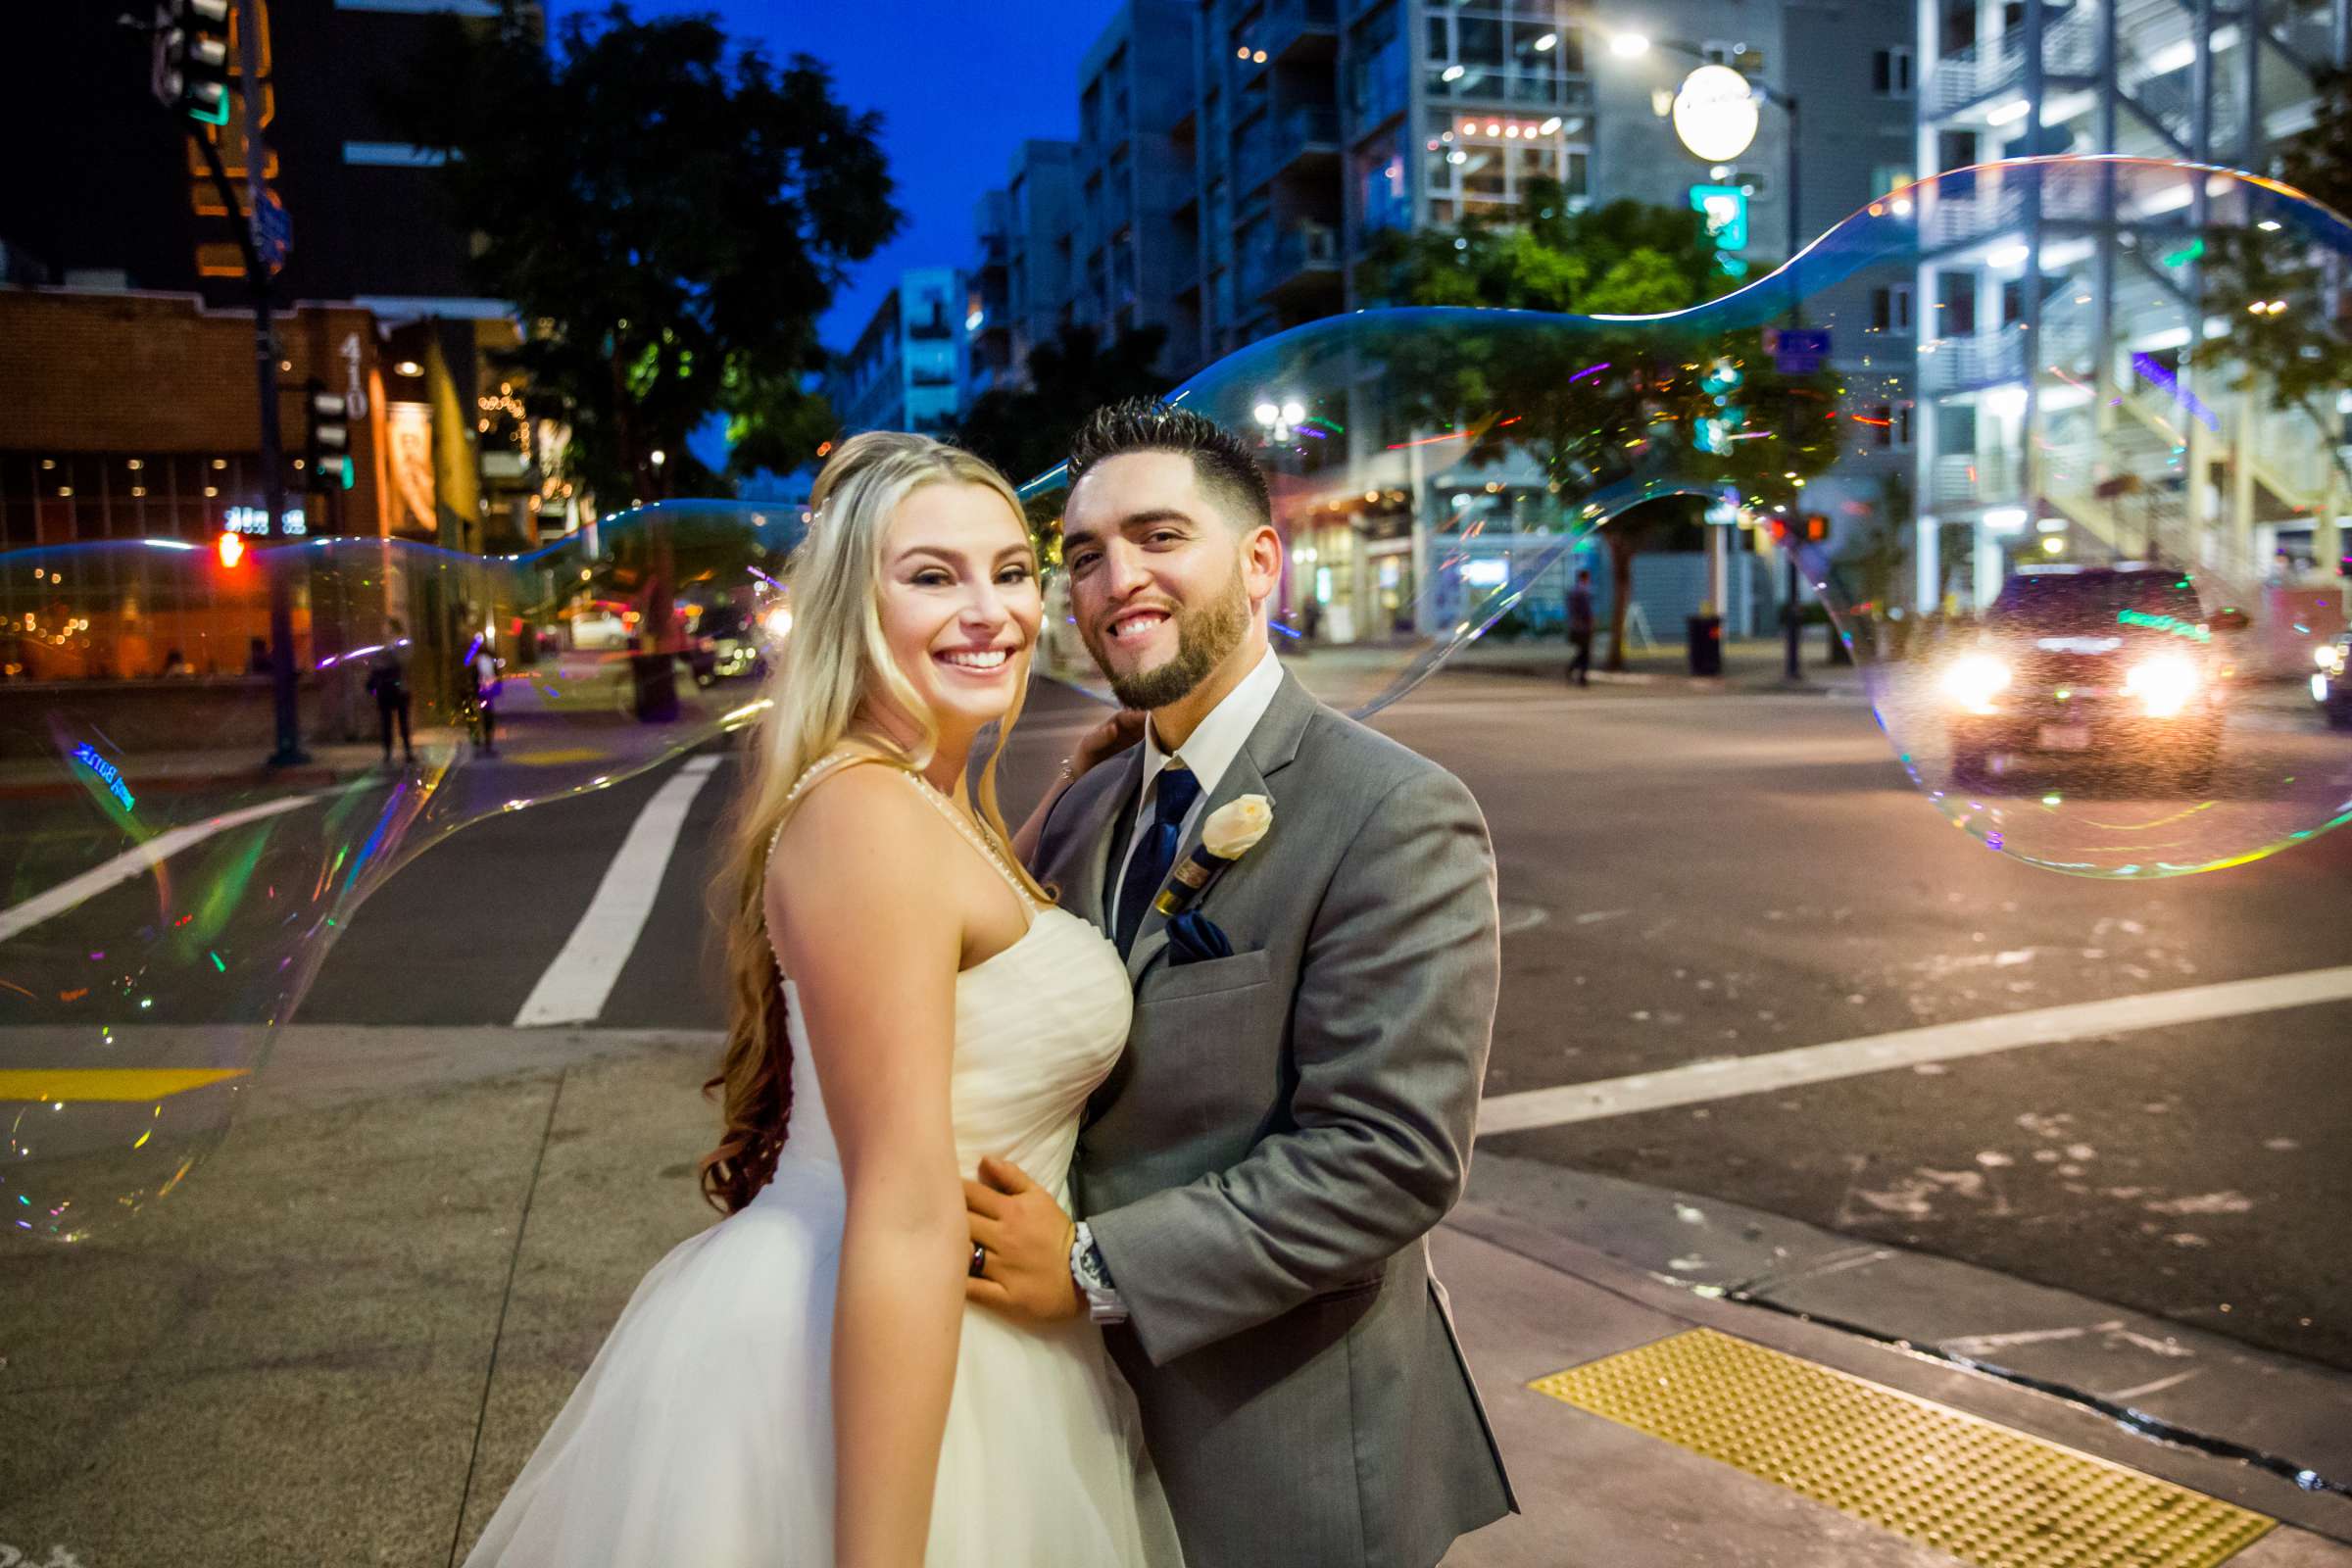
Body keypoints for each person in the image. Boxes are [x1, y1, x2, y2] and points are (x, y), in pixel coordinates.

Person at [462, 432, 1179, 1568]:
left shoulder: (927, 798)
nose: (990, 609)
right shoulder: (868, 817)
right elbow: (900, 1203)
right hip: (893, 1353)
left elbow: (978, 958)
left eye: (1009, 569)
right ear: (850, 605)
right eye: (932, 575)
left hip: (970, 1338)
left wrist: (1090, 772)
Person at [974, 400, 1516, 1568]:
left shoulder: (1392, 811)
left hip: (1284, 1455)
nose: (1117, 579)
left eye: (1161, 538)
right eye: (1084, 554)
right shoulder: (1086, 803)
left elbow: (1389, 1155)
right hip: (1080, 1436)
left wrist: (1088, 1266)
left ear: (1259, 560)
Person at [365, 625, 415, 765]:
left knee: (402, 722)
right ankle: (388, 753)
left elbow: (403, 662)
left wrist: (392, 651)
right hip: (386, 690)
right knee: (387, 723)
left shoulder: (399, 647)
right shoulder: (380, 649)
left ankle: (407, 752)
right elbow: (374, 666)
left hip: (398, 690)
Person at [1565, 566, 1596, 687]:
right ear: (1585, 578)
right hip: (1583, 626)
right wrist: (1590, 622)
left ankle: (1573, 670)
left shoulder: (1574, 591)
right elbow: (1586, 611)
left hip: (1576, 625)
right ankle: (1581, 676)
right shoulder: (1583, 592)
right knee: (1585, 652)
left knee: (1583, 651)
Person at [468, 641, 501, 755]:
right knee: (487, 716)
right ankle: (487, 741)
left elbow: (473, 677)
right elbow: (495, 675)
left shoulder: (475, 661)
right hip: (487, 692)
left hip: (479, 692)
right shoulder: (488, 660)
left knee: (476, 716)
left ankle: (477, 740)